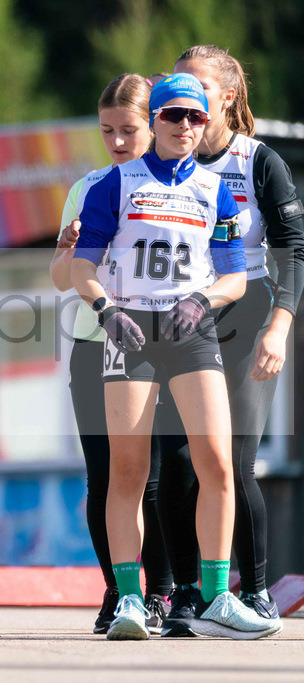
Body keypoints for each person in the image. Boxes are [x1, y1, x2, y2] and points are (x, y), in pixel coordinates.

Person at [71, 73, 279, 640]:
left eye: (196, 116)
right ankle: (131, 601)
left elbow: (235, 277)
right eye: (173, 116)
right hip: (131, 330)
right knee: (129, 472)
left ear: (208, 120)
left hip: (191, 333)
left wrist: (202, 298)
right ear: (155, 120)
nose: (185, 126)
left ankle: (215, 597)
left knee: (216, 463)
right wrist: (104, 308)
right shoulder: (114, 185)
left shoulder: (219, 191)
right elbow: (83, 268)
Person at [157, 45, 304, 633]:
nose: (186, 106)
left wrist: (281, 325)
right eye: (176, 88)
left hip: (246, 314)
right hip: (177, 320)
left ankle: (257, 589)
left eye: (198, 91)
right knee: (175, 464)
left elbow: (293, 247)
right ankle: (187, 594)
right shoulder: (158, 156)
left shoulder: (257, 160)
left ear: (227, 96)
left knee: (232, 460)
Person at [49, 74, 172, 634]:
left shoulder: (175, 186)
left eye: (129, 130)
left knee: (153, 477)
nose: (118, 142)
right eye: (107, 132)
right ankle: (118, 590)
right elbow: (58, 279)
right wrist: (68, 247)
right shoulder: (88, 187)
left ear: (154, 125)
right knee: (103, 475)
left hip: (158, 345)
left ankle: (164, 590)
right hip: (93, 343)